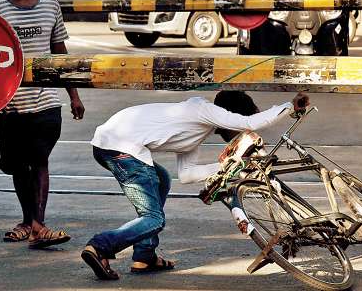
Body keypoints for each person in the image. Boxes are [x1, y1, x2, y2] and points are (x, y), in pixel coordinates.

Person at [81, 91, 309, 280]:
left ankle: (145, 255)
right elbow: (250, 121)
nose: (239, 135)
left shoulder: (194, 130)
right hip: (120, 148)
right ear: (228, 116)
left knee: (162, 179)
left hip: (111, 145)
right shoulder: (203, 111)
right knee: (154, 219)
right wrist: (289, 106)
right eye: (238, 130)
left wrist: (228, 165)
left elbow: (188, 175)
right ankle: (100, 247)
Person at [0, 0, 85, 249]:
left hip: (46, 100)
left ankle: (38, 224)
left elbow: (59, 53)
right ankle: (28, 222)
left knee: (39, 160)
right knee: (18, 166)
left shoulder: (50, 6)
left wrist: (74, 95)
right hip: (11, 103)